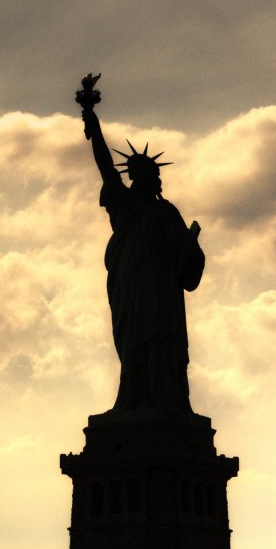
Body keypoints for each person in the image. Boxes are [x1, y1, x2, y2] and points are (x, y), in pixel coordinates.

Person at [76, 75, 205, 418]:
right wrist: (92, 120)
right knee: (134, 344)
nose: (151, 179)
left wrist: (190, 246)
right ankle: (132, 400)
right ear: (134, 177)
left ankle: (167, 402)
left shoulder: (166, 212)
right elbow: (105, 164)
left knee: (163, 342)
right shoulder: (123, 203)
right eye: (143, 174)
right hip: (131, 289)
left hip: (162, 294)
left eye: (153, 175)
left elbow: (186, 262)